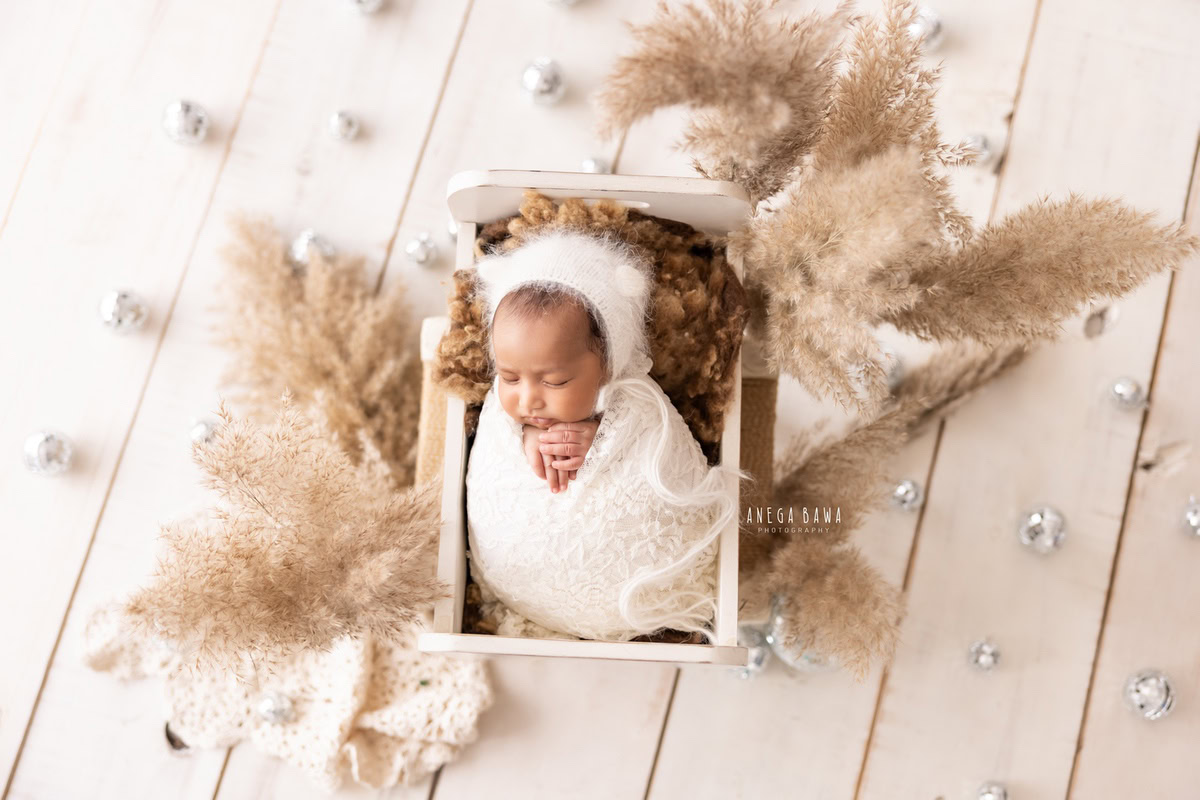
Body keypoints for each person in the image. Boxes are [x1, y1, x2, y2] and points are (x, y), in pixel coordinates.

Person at [464, 227, 747, 643]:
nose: (528, 400)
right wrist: (525, 442)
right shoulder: (506, 411)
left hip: (623, 562)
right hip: (522, 576)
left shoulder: (636, 403)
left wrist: (601, 434)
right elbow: (494, 455)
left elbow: (658, 451)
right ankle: (534, 598)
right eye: (509, 376)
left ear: (608, 365)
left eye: (555, 381)